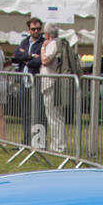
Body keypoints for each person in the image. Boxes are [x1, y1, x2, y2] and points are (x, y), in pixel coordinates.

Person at [12, 17, 44, 145]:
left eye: (38, 29)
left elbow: (41, 60)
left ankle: (38, 141)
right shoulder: (24, 42)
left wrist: (27, 59)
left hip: (36, 82)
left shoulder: (43, 43)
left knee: (38, 112)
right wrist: (30, 56)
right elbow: (17, 56)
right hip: (24, 82)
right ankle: (25, 140)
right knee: (25, 112)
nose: (36, 31)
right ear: (28, 30)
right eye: (33, 29)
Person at [40, 24, 66, 152]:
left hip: (51, 83)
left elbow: (45, 61)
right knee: (55, 116)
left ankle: (58, 145)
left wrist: (42, 49)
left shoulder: (52, 44)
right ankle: (58, 144)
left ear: (48, 34)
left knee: (54, 116)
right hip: (52, 82)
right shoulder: (57, 44)